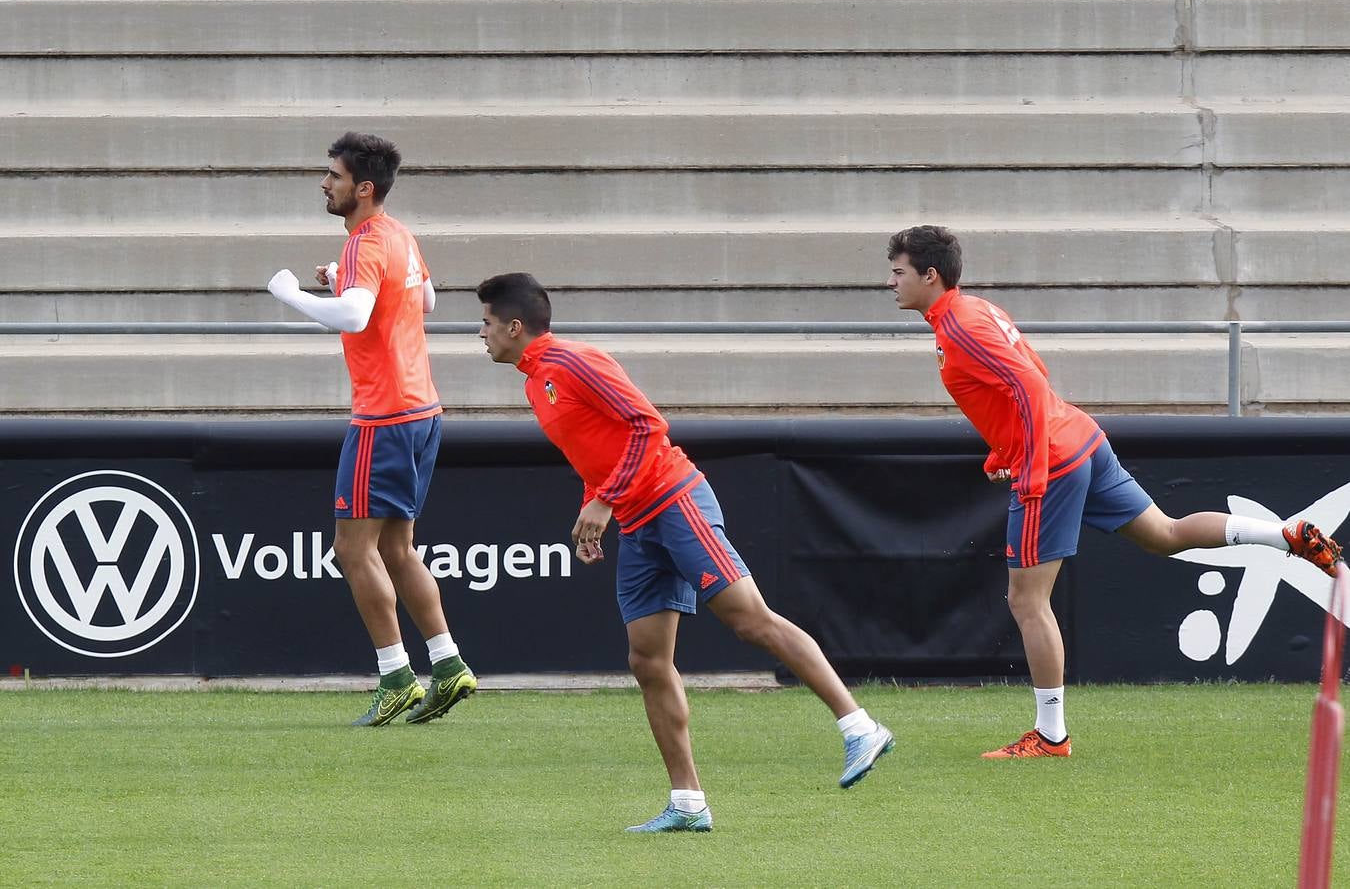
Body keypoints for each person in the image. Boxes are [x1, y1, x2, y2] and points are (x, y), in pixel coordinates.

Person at [885, 224, 1344, 759]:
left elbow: (1029, 386)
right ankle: (1282, 535)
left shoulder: (959, 326)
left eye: (898, 272)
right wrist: (1004, 451)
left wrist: (1029, 467)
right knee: (1164, 535)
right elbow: (1030, 372)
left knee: (1026, 600)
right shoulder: (974, 311)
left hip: (1053, 462)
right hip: (1079, 439)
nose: (890, 283)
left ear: (929, 274)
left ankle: (1051, 734)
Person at [475, 272, 894, 832]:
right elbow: (596, 452)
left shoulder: (574, 361)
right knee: (647, 659)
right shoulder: (536, 382)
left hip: (674, 500)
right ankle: (688, 803)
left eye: (485, 322)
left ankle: (859, 727)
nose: (481, 333)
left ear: (514, 326)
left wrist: (605, 503)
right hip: (638, 520)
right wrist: (594, 512)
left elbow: (647, 427)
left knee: (749, 620)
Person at [265, 131, 475, 726]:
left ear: (362, 188)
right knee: (397, 548)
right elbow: (425, 299)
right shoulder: (400, 236)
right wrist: (343, 278)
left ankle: (396, 676)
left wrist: (292, 295)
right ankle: (449, 662)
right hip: (423, 412)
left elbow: (357, 315)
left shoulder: (363, 241)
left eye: (332, 175)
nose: (324, 183)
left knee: (351, 551)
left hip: (382, 418)